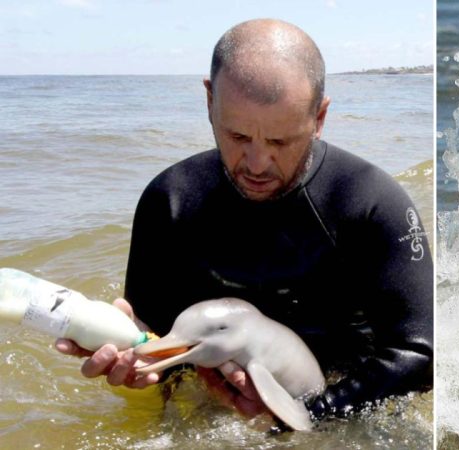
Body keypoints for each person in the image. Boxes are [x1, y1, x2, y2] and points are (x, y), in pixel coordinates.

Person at [55, 18, 433, 421]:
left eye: (279, 141)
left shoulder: (368, 202)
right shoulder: (171, 201)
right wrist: (131, 351)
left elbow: (422, 355)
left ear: (319, 118)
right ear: (208, 101)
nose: (255, 164)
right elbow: (160, 346)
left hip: (346, 405)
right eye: (237, 137)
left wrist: (306, 417)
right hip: (221, 403)